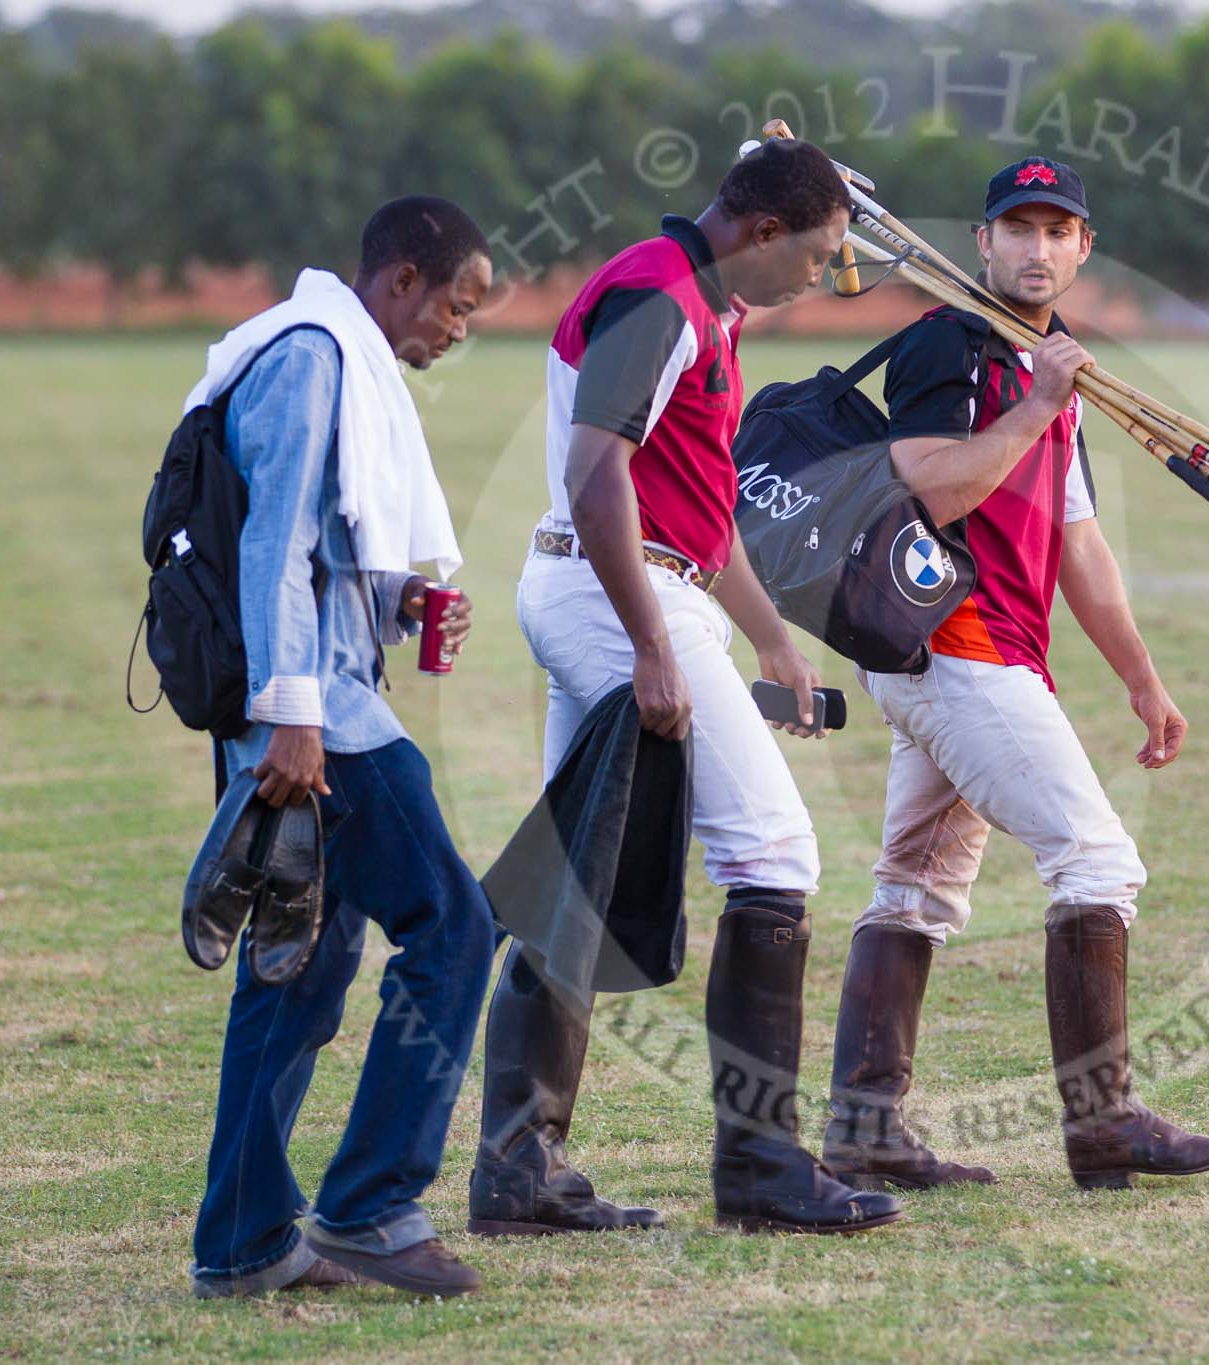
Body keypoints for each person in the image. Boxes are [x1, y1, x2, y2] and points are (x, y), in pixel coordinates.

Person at [471, 139, 902, 1236]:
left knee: (575, 878)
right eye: (814, 256)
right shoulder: (658, 295)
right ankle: (760, 1172)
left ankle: (518, 1176)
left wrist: (772, 642)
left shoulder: (706, 303)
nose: (819, 277)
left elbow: (696, 514)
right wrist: (654, 646)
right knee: (774, 854)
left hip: (631, 588)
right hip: (616, 598)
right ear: (761, 233)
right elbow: (593, 471)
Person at [820, 157, 1209, 1192]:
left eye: (1059, 231)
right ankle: (1101, 1126)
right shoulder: (948, 344)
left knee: (914, 890)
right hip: (952, 650)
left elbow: (1080, 542)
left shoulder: (1062, 367)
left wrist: (1142, 679)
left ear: (1084, 247)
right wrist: (1029, 408)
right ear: (983, 241)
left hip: (986, 658)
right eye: (1019, 228)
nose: (1037, 248)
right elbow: (931, 487)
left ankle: (863, 1126)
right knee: (1098, 866)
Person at [188, 196, 498, 1298]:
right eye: (457, 305)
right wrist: (292, 715)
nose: (459, 330)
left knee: (297, 973)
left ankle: (241, 1245)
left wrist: (404, 599)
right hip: (319, 723)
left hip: (316, 702)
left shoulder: (332, 358)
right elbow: (271, 541)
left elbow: (319, 548)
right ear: (401, 280)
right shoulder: (315, 359)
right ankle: (371, 1208)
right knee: (456, 929)